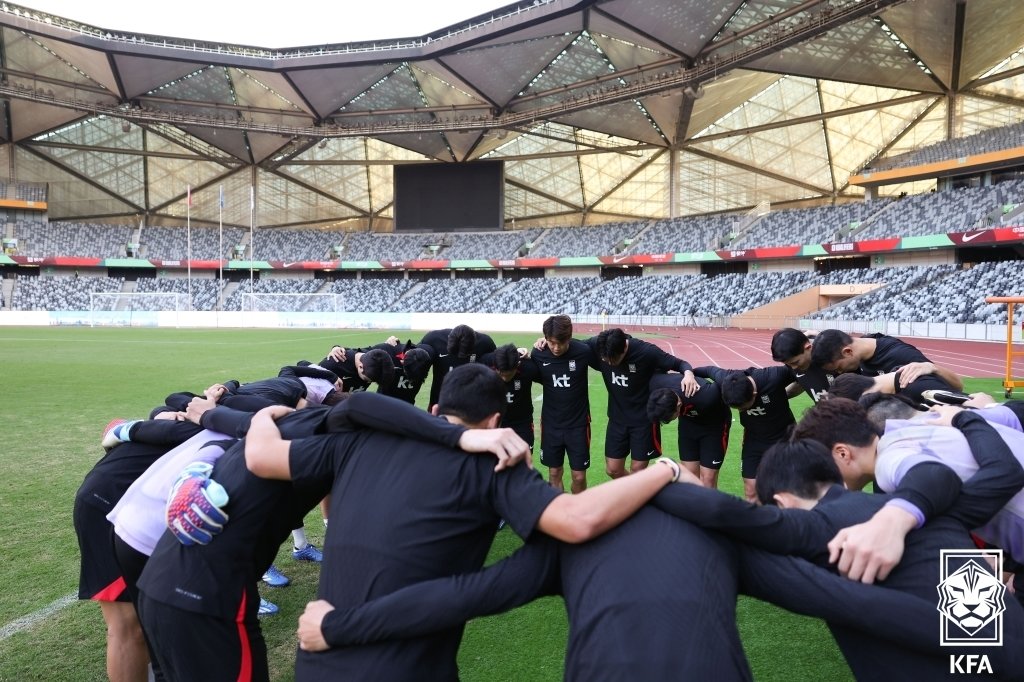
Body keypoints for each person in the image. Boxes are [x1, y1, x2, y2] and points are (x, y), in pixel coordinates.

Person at [244, 363, 683, 680]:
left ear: (435, 409)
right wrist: (667, 470)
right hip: (404, 668)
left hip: (319, 659)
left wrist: (263, 415)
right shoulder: (494, 463)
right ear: (495, 423)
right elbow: (577, 519)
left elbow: (262, 458)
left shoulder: (362, 440)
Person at [134, 390, 529, 682]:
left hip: (161, 580)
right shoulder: (339, 433)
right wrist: (460, 438)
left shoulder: (278, 425)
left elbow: (242, 425)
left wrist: (213, 419)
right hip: (207, 594)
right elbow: (361, 407)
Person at [649, 437, 1024, 680]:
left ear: (781, 504)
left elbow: (725, 515)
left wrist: (669, 472)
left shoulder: (817, 528)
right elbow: (972, 472)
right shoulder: (925, 507)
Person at [792, 396, 1024, 580]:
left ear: (842, 453)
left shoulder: (888, 461)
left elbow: (930, 475)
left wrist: (890, 521)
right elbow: (1011, 417)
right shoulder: (934, 418)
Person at [587, 327, 697, 478]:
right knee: (613, 469)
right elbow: (573, 345)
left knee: (638, 470)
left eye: (614, 359)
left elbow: (679, 363)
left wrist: (689, 374)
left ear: (625, 347)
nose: (610, 363)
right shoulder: (599, 344)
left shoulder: (647, 352)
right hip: (617, 418)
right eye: (606, 360)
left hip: (644, 420)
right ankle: (640, 492)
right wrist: (545, 341)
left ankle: (637, 499)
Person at [693, 364, 796, 502]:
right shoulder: (727, 379)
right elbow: (708, 370)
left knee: (785, 491)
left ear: (754, 394)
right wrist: (687, 374)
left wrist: (788, 393)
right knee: (751, 490)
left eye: (743, 407)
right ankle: (756, 522)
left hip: (784, 438)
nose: (741, 411)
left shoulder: (774, 376)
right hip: (753, 440)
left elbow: (803, 372)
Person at [528, 315, 597, 493]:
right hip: (551, 425)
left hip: (578, 424)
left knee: (579, 476)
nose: (556, 348)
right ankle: (560, 513)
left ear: (569, 338)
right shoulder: (538, 354)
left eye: (561, 343)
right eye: (551, 343)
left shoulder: (583, 351)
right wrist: (522, 351)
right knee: (554, 472)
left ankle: (578, 509)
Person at [647, 373, 731, 488]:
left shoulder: (707, 395)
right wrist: (687, 372)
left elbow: (726, 380)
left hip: (714, 427)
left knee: (708, 479)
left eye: (669, 419)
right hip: (688, 425)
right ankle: (694, 506)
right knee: (689, 477)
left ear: (678, 405)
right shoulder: (655, 382)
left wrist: (698, 372)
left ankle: (709, 505)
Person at [809, 329, 964, 391]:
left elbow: (957, 386)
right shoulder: (860, 350)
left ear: (848, 352)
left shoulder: (901, 355)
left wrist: (932, 368)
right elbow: (836, 340)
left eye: (839, 368)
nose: (840, 372)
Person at [418, 324, 496, 409]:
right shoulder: (433, 339)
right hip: (439, 401)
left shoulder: (485, 343)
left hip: (472, 403)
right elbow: (415, 355)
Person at [485, 343, 540, 449]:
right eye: (501, 374)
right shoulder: (486, 363)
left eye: (509, 374)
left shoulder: (529, 368)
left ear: (518, 365)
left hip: (522, 423)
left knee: (524, 460)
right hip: (495, 422)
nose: (505, 379)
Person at [770, 328, 835, 403]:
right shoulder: (793, 361)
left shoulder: (833, 358)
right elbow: (802, 382)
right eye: (787, 364)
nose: (793, 367)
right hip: (826, 412)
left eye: (796, 362)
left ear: (808, 347)